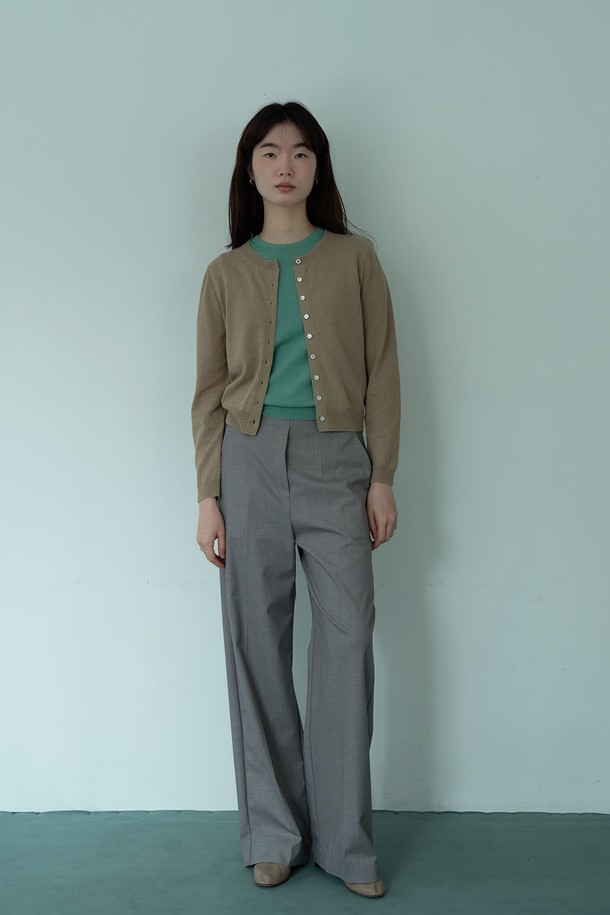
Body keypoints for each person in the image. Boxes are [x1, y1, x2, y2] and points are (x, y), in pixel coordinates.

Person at [191, 101, 400, 899]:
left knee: (347, 641)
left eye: (303, 152)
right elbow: (208, 391)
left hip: (336, 462)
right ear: (250, 169)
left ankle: (347, 844)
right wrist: (208, 495)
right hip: (246, 465)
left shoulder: (355, 259)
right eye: (271, 152)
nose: (287, 165)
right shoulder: (224, 274)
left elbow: (383, 371)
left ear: (319, 168)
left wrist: (381, 476)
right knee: (257, 646)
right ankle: (274, 835)